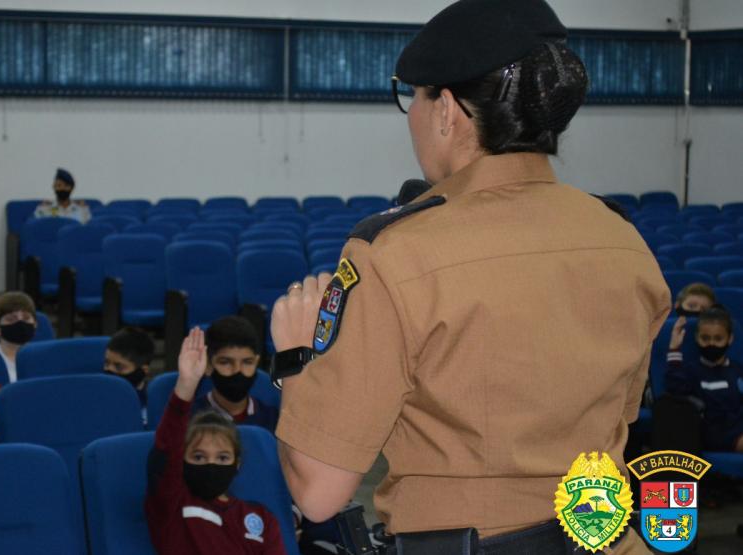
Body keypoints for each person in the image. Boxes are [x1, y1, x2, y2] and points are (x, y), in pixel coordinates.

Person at [268, 1, 671, 553]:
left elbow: (318, 494)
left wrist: (295, 362)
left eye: (413, 95)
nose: (411, 114)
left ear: (446, 110)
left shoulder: (396, 252)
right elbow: (617, 419)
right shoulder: (621, 238)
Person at [145, 327, 286, 555]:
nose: (211, 465)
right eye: (199, 456)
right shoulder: (171, 506)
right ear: (182, 461)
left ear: (237, 463)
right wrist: (186, 386)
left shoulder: (261, 519)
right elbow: (166, 451)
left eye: (222, 458)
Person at [667, 308, 743, 452]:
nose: (711, 344)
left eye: (718, 339)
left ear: (730, 339)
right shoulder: (692, 370)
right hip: (717, 432)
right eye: (705, 338)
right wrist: (674, 348)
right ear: (697, 338)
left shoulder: (738, 370)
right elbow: (675, 389)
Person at [192, 316, 278, 433]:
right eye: (225, 362)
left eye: (247, 362)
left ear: (256, 362)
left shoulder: (273, 420)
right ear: (208, 365)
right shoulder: (190, 418)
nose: (237, 370)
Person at [0, 291, 38, 383]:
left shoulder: (42, 356)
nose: (20, 323)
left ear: (35, 324)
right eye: (11, 319)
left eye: (26, 318)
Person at [104, 326, 155, 414]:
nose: (109, 369)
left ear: (143, 370)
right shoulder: (99, 393)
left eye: (119, 367)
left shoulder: (153, 401)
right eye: (107, 363)